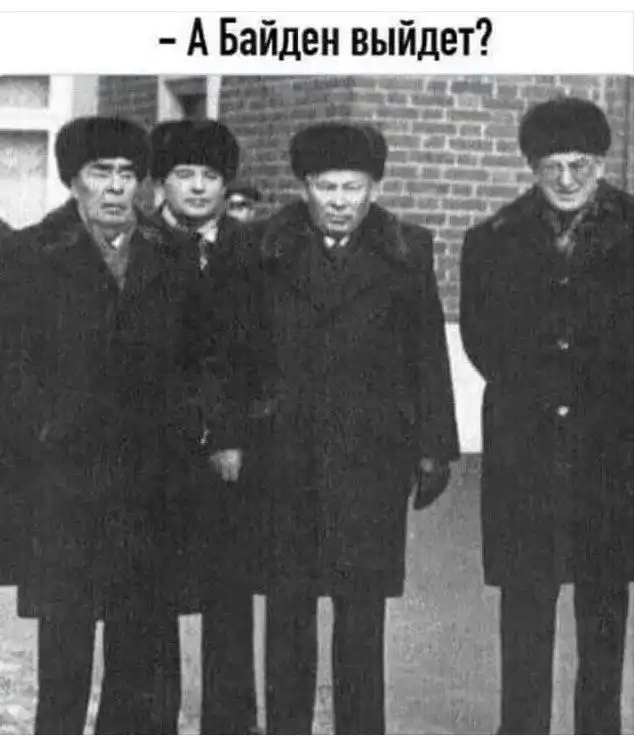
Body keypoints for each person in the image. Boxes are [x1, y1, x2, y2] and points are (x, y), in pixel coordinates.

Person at [0, 115, 204, 733]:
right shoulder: (31, 254)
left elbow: (198, 357)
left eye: (127, 174)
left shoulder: (173, 254)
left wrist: (183, 432)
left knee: (139, 651)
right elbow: (12, 363)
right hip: (64, 482)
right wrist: (42, 432)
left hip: (148, 483)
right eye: (100, 172)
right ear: (73, 179)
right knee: (65, 650)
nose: (116, 187)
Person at [257, 122, 459, 734]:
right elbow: (242, 349)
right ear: (304, 188)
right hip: (287, 457)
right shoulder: (266, 249)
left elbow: (428, 352)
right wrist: (241, 434)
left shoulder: (407, 251)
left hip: (371, 460)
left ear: (375, 189)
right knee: (288, 614)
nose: (340, 201)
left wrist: (434, 447)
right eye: (326, 187)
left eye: (353, 187)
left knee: (361, 616)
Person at [460, 96, 634, 734]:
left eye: (579, 165)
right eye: (552, 166)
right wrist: (542, 394)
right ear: (532, 168)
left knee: (604, 600)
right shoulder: (492, 239)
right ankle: (522, 730)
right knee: (526, 599)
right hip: (526, 444)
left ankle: (600, 731)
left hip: (612, 445)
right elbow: (481, 337)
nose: (566, 178)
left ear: (601, 164)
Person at [150, 119, 267, 734]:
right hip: (155, 449)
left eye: (211, 176)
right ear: (162, 182)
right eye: (184, 174)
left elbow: (264, 353)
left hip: (234, 451)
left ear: (228, 184)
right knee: (150, 597)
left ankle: (230, 724)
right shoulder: (140, 245)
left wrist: (234, 431)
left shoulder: (255, 251)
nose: (198, 187)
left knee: (230, 593)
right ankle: (150, 723)